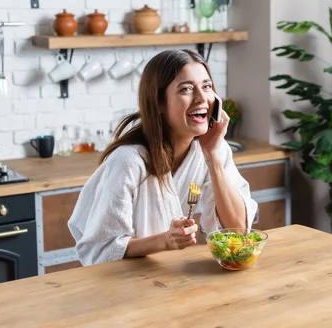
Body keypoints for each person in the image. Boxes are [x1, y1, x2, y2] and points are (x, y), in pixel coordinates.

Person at [68, 49, 258, 266]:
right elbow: (101, 249)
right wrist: (164, 241)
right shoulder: (128, 162)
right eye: (186, 89)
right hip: (126, 282)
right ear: (159, 102)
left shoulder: (212, 147)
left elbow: (238, 231)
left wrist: (213, 158)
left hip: (172, 277)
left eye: (206, 87)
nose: (201, 98)